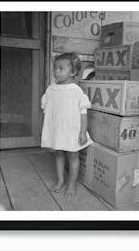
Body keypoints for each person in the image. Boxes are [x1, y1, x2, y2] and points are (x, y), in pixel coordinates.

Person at [41, 52, 93, 198]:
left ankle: (71, 184)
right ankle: (61, 180)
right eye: (55, 67)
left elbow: (83, 113)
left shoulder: (76, 91)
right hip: (58, 131)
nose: (56, 71)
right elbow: (46, 111)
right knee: (58, 154)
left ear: (73, 72)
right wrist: (48, 130)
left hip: (72, 131)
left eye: (61, 68)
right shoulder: (51, 90)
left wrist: (82, 132)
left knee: (73, 155)